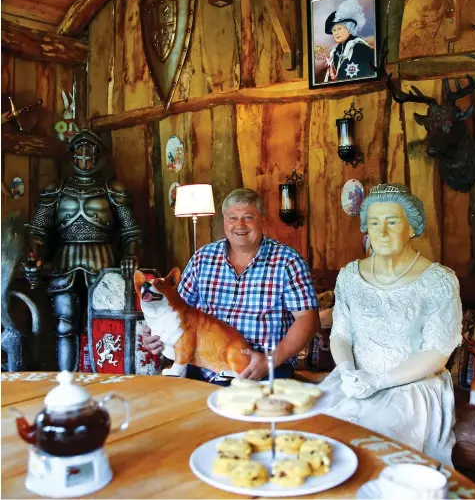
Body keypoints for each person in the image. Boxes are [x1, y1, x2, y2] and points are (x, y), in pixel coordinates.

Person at [319, 183, 462, 467]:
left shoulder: (439, 281)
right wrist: (347, 372)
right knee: (312, 434)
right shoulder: (349, 276)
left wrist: (380, 381)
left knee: (373, 449)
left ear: (412, 227)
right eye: (374, 222)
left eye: (392, 222)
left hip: (411, 387)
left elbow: (437, 353)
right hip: (354, 379)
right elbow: (341, 335)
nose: (381, 232)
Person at [142, 188, 321, 384]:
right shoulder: (202, 258)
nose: (239, 225)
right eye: (232, 218)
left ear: (262, 219)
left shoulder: (288, 261)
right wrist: (155, 335)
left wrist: (270, 360)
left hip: (262, 367)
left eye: (248, 217)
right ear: (224, 221)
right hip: (202, 366)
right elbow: (175, 308)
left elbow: (308, 320)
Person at [22, 129, 142, 371]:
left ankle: (104, 377)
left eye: (91, 153)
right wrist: (34, 255)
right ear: (72, 155)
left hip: (104, 262)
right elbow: (38, 230)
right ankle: (67, 380)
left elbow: (130, 231)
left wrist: (130, 254)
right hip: (65, 260)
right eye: (80, 152)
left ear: (100, 156)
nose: (85, 158)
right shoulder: (55, 189)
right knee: (65, 324)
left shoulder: (113, 189)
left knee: (104, 324)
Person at [323, 0, 376, 83]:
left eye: (339, 28)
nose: (336, 33)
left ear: (349, 28)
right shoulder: (336, 52)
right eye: (334, 30)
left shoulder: (361, 48)